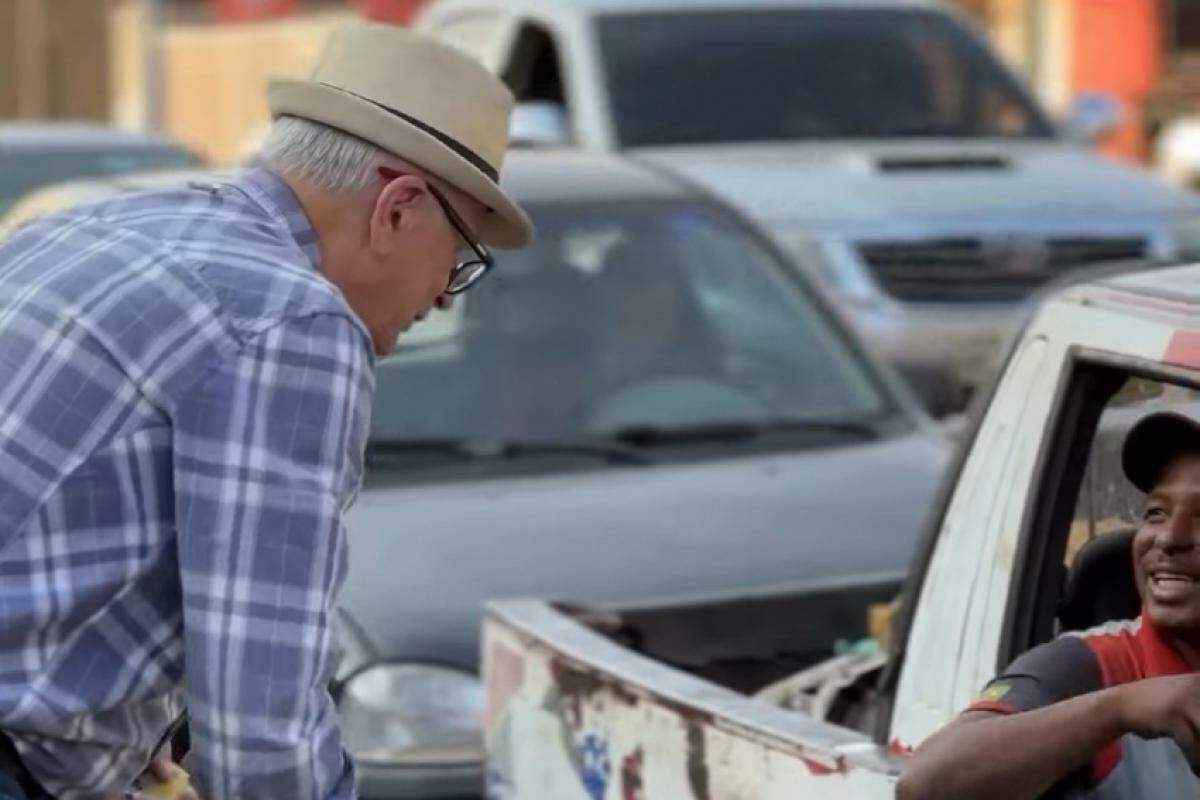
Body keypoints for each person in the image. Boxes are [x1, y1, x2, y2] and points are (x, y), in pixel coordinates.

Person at [0, 22, 530, 800]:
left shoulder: (88, 229)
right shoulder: (290, 320)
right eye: (461, 256)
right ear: (399, 207)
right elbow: (261, 732)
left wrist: (128, 729)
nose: (448, 293)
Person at [898, 411, 1200, 800]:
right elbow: (923, 784)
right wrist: (1119, 709)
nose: (1169, 538)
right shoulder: (1091, 665)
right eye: (1156, 513)